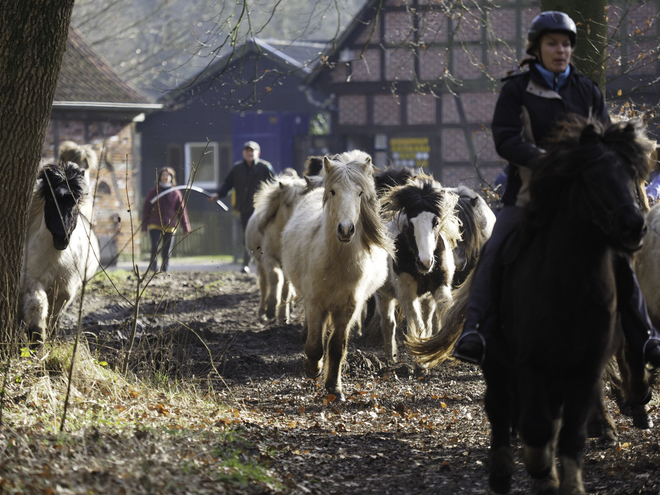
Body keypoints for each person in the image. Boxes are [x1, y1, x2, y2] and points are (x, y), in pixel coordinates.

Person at [452, 11, 660, 370]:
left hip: (586, 201)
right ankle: (476, 331)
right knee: (496, 249)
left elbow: (606, 140)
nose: (560, 50)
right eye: (552, 43)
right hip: (530, 195)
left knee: (620, 258)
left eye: (565, 44)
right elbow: (505, 139)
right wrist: (544, 160)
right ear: (538, 48)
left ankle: (644, 337)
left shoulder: (587, 90)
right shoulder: (516, 89)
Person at [210, 141, 274, 273]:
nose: (250, 153)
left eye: (252, 151)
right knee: (247, 237)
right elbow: (227, 185)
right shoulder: (237, 168)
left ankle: (260, 263)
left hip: (261, 210)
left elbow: (274, 186)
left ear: (258, 153)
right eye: (247, 151)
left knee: (262, 236)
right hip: (245, 209)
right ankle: (248, 263)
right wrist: (218, 194)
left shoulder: (265, 167)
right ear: (243, 153)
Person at [141, 167, 191, 272]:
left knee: (167, 250)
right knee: (155, 248)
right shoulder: (153, 192)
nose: (166, 177)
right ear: (160, 177)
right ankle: (153, 269)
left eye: (168, 175)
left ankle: (164, 269)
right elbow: (146, 209)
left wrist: (186, 227)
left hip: (170, 225)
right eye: (163, 175)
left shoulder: (175, 193)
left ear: (171, 177)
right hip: (155, 224)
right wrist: (144, 227)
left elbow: (182, 211)